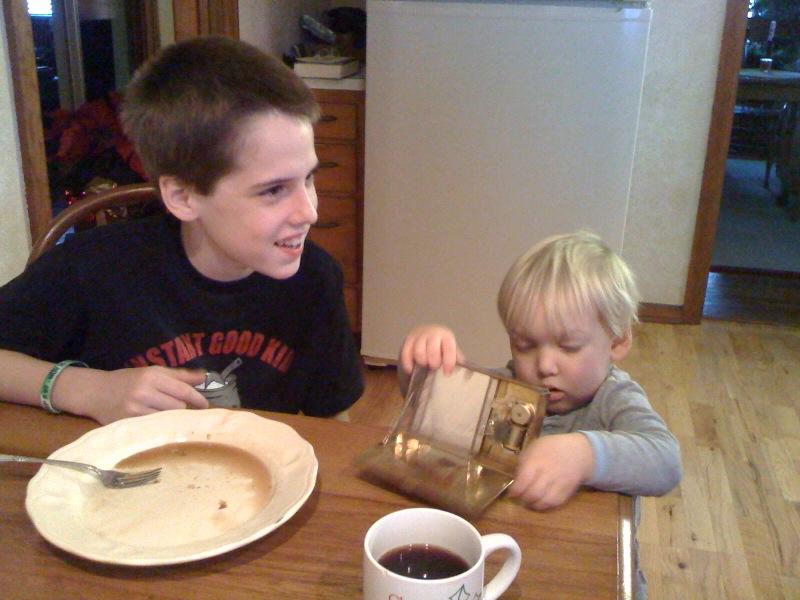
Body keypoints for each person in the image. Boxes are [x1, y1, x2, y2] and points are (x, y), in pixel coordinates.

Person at [0, 37, 363, 425]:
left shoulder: (314, 278)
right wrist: (86, 389)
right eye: (273, 190)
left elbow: (333, 422)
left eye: (308, 178)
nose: (309, 212)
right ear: (182, 196)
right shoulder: (92, 268)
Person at [399, 231, 681, 596]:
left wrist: (585, 454)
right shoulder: (507, 390)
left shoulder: (614, 398)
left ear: (617, 341)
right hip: (510, 562)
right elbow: (427, 407)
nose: (545, 365)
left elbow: (666, 461)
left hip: (590, 573)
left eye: (569, 346)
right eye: (524, 345)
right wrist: (422, 364)